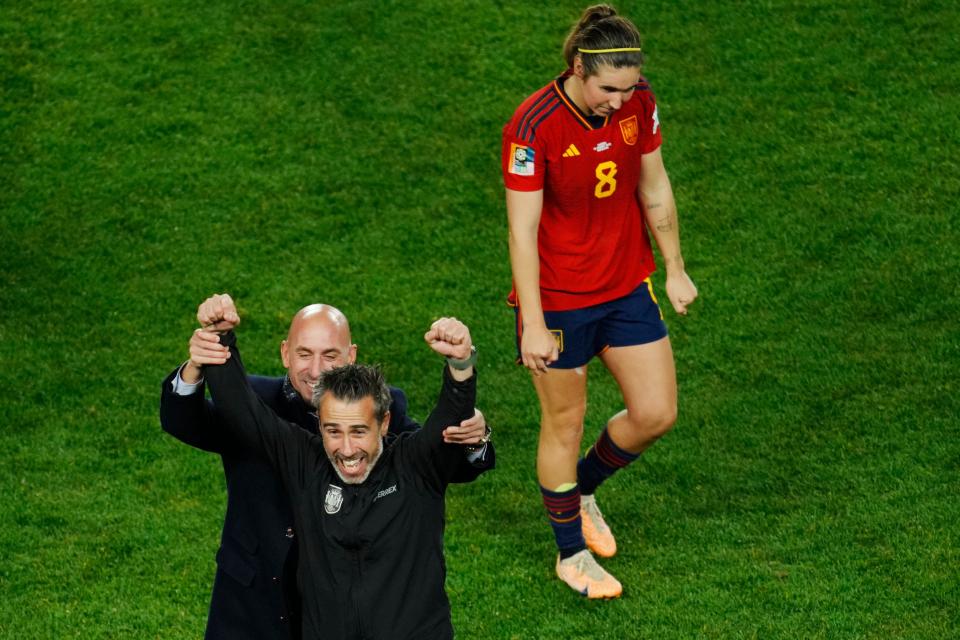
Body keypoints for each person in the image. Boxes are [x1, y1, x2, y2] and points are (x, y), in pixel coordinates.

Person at [502, 4, 698, 599]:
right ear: (578, 70)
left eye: (629, 87)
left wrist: (675, 269)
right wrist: (533, 323)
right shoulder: (532, 126)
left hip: (624, 287)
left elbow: (654, 182)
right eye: (608, 88)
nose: (619, 101)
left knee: (656, 413)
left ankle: (581, 490)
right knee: (564, 422)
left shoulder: (639, 102)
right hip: (559, 303)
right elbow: (522, 230)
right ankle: (571, 555)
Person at [160, 295, 494, 639]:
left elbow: (441, 448)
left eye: (330, 355)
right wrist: (213, 345)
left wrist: (466, 398)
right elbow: (203, 416)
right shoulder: (284, 434)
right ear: (285, 353)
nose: (346, 448)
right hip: (257, 607)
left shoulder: (393, 430)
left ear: (383, 422)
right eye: (305, 354)